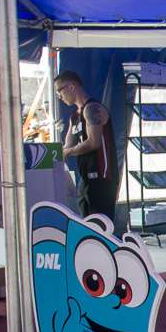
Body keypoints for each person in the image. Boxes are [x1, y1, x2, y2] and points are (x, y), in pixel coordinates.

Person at [55, 70, 118, 220]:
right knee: (86, 222)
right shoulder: (74, 116)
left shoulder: (92, 108)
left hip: (101, 177)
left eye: (59, 90)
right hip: (85, 178)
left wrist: (69, 152)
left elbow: (94, 142)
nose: (59, 96)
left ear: (71, 87)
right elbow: (68, 144)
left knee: (100, 225)